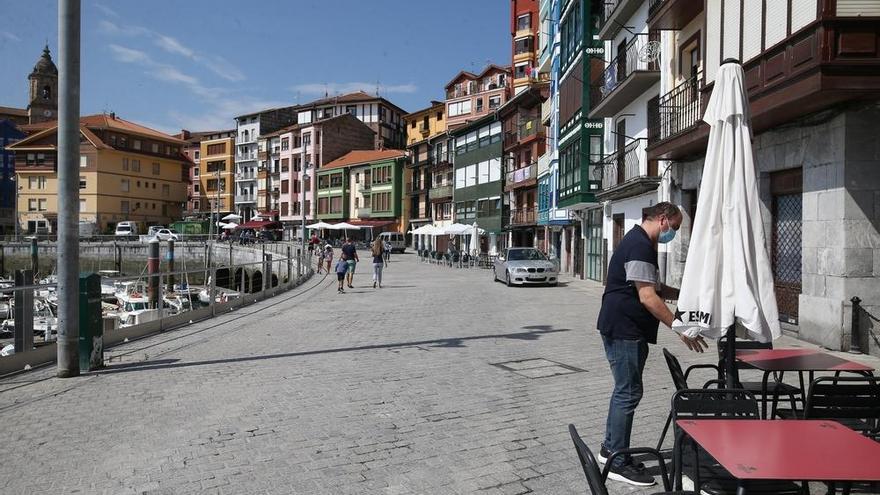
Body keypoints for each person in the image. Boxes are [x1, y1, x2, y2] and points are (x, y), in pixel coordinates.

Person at [596, 202, 707, 486]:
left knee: (624, 390)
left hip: (620, 326)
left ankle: (611, 448)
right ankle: (618, 462)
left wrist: (685, 294)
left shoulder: (639, 241)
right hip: (625, 329)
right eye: (676, 227)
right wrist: (680, 328)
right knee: (628, 392)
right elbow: (648, 297)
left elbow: (655, 287)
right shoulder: (640, 245)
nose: (675, 233)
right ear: (663, 219)